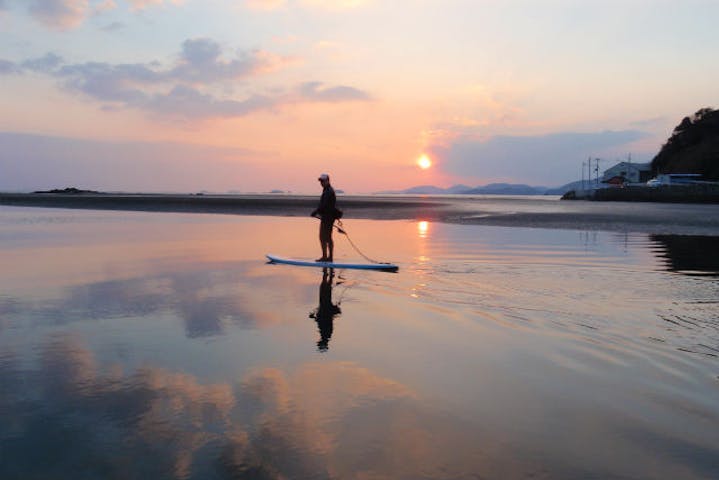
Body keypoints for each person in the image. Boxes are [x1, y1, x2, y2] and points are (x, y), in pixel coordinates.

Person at [310, 173, 338, 262]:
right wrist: (318, 212)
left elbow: (324, 205)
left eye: (323, 181)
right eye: (320, 181)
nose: (321, 183)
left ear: (327, 181)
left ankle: (327, 257)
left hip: (328, 218)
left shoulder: (329, 191)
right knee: (326, 237)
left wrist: (315, 212)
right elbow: (323, 205)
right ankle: (328, 257)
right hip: (327, 217)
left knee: (324, 237)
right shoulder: (327, 190)